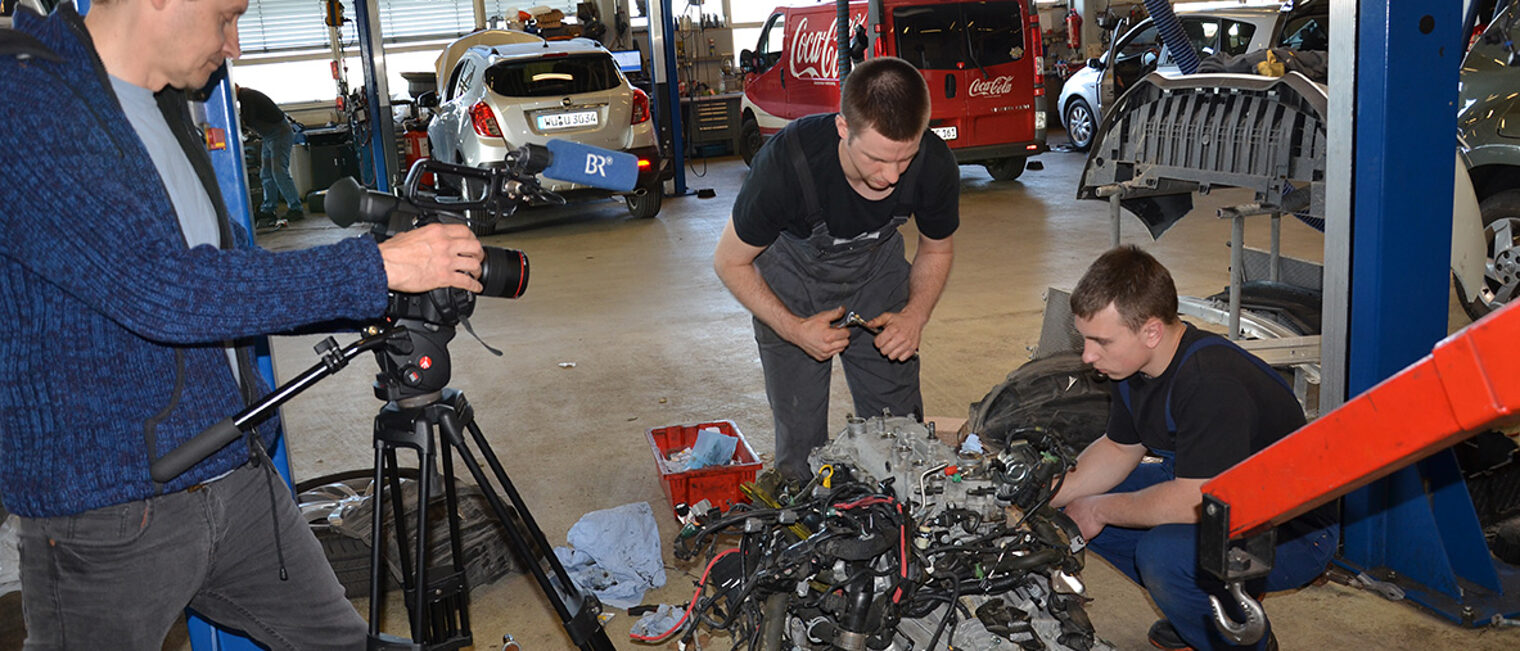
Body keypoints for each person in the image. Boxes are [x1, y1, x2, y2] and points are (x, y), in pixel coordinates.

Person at [0, 1, 486, 648]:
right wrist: (374, 268)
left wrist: (386, 293)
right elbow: (163, 289)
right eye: (226, 15)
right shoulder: (27, 101)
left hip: (232, 473)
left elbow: (232, 275)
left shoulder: (164, 106)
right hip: (108, 513)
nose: (233, 43)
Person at [1051, 246, 1338, 651]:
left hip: (1289, 530)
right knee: (1073, 508)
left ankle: (1239, 640)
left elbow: (1193, 501)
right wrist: (1044, 497)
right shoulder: (1132, 364)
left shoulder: (1209, 383)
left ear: (1151, 331)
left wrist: (1098, 508)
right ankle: (1204, 612)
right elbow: (1119, 448)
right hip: (1214, 490)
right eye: (1085, 339)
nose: (1087, 355)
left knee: (1161, 554)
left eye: (1101, 342)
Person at [713, 56, 959, 481]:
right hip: (792, 278)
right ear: (845, 128)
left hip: (877, 275)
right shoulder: (786, 165)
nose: (891, 176)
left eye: (905, 158)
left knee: (899, 430)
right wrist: (793, 329)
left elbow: (937, 250)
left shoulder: (933, 163)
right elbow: (729, 261)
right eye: (878, 159)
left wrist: (914, 316)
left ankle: (895, 521)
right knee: (800, 438)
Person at [236, 84, 305, 224]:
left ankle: (296, 208)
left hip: (279, 134)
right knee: (266, 174)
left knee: (279, 172)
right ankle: (268, 209)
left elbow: (248, 120)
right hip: (269, 136)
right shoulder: (244, 98)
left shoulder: (246, 96)